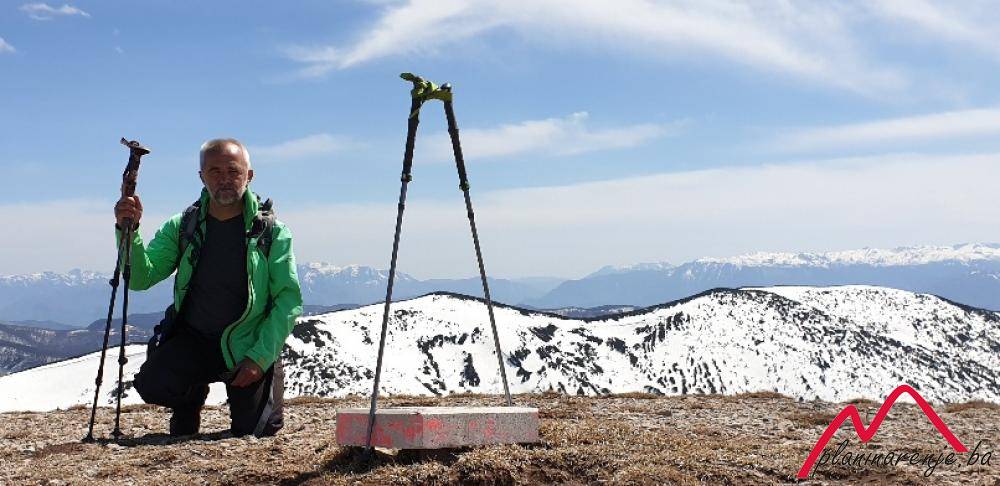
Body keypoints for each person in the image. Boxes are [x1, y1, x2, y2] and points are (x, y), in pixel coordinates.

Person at [113, 138, 302, 437]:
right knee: (153, 385)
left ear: (249, 176)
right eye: (215, 171)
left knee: (258, 430)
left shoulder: (272, 233)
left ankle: (254, 384)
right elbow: (140, 278)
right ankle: (190, 397)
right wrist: (129, 230)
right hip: (194, 340)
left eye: (233, 171)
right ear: (202, 177)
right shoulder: (183, 226)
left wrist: (259, 358)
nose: (224, 179)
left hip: (247, 345)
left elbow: (287, 301)